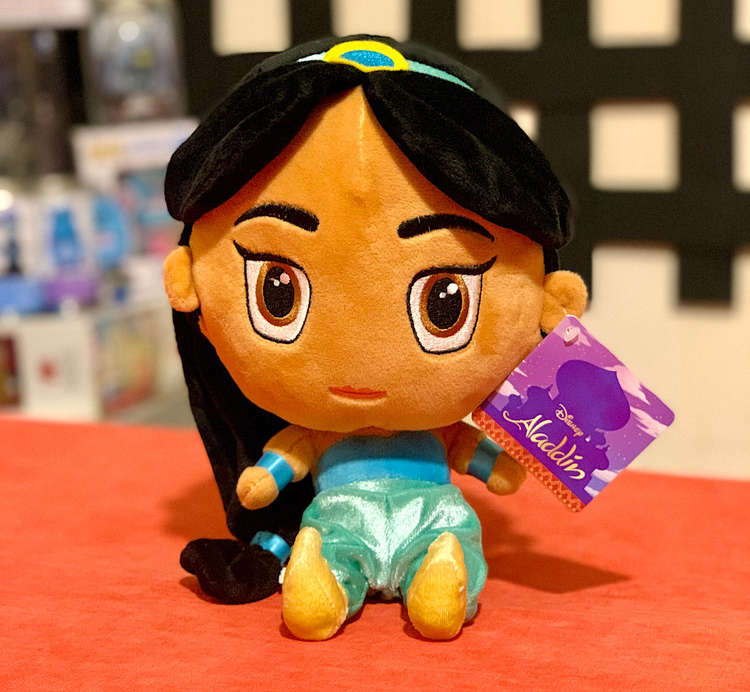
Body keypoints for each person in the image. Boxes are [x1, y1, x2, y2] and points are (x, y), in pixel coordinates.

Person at [163, 35, 586, 637]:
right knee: (328, 549)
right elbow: (276, 468)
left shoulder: (436, 431)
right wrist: (263, 481)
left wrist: (499, 465)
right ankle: (324, 581)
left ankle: (440, 574)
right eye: (278, 293)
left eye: (445, 302)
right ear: (189, 284)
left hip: (432, 517)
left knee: (448, 541)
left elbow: (484, 461)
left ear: (550, 300)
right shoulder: (316, 434)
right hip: (339, 520)